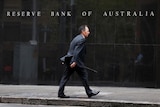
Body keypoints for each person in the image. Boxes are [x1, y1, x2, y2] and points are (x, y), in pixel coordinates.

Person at [58, 25, 100, 98]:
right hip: (76, 62)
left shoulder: (76, 38)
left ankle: (60, 93)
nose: (89, 32)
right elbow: (76, 51)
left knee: (65, 77)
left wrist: (70, 61)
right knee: (84, 76)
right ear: (83, 31)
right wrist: (73, 61)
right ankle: (89, 92)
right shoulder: (81, 39)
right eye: (87, 31)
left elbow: (71, 50)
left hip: (71, 60)